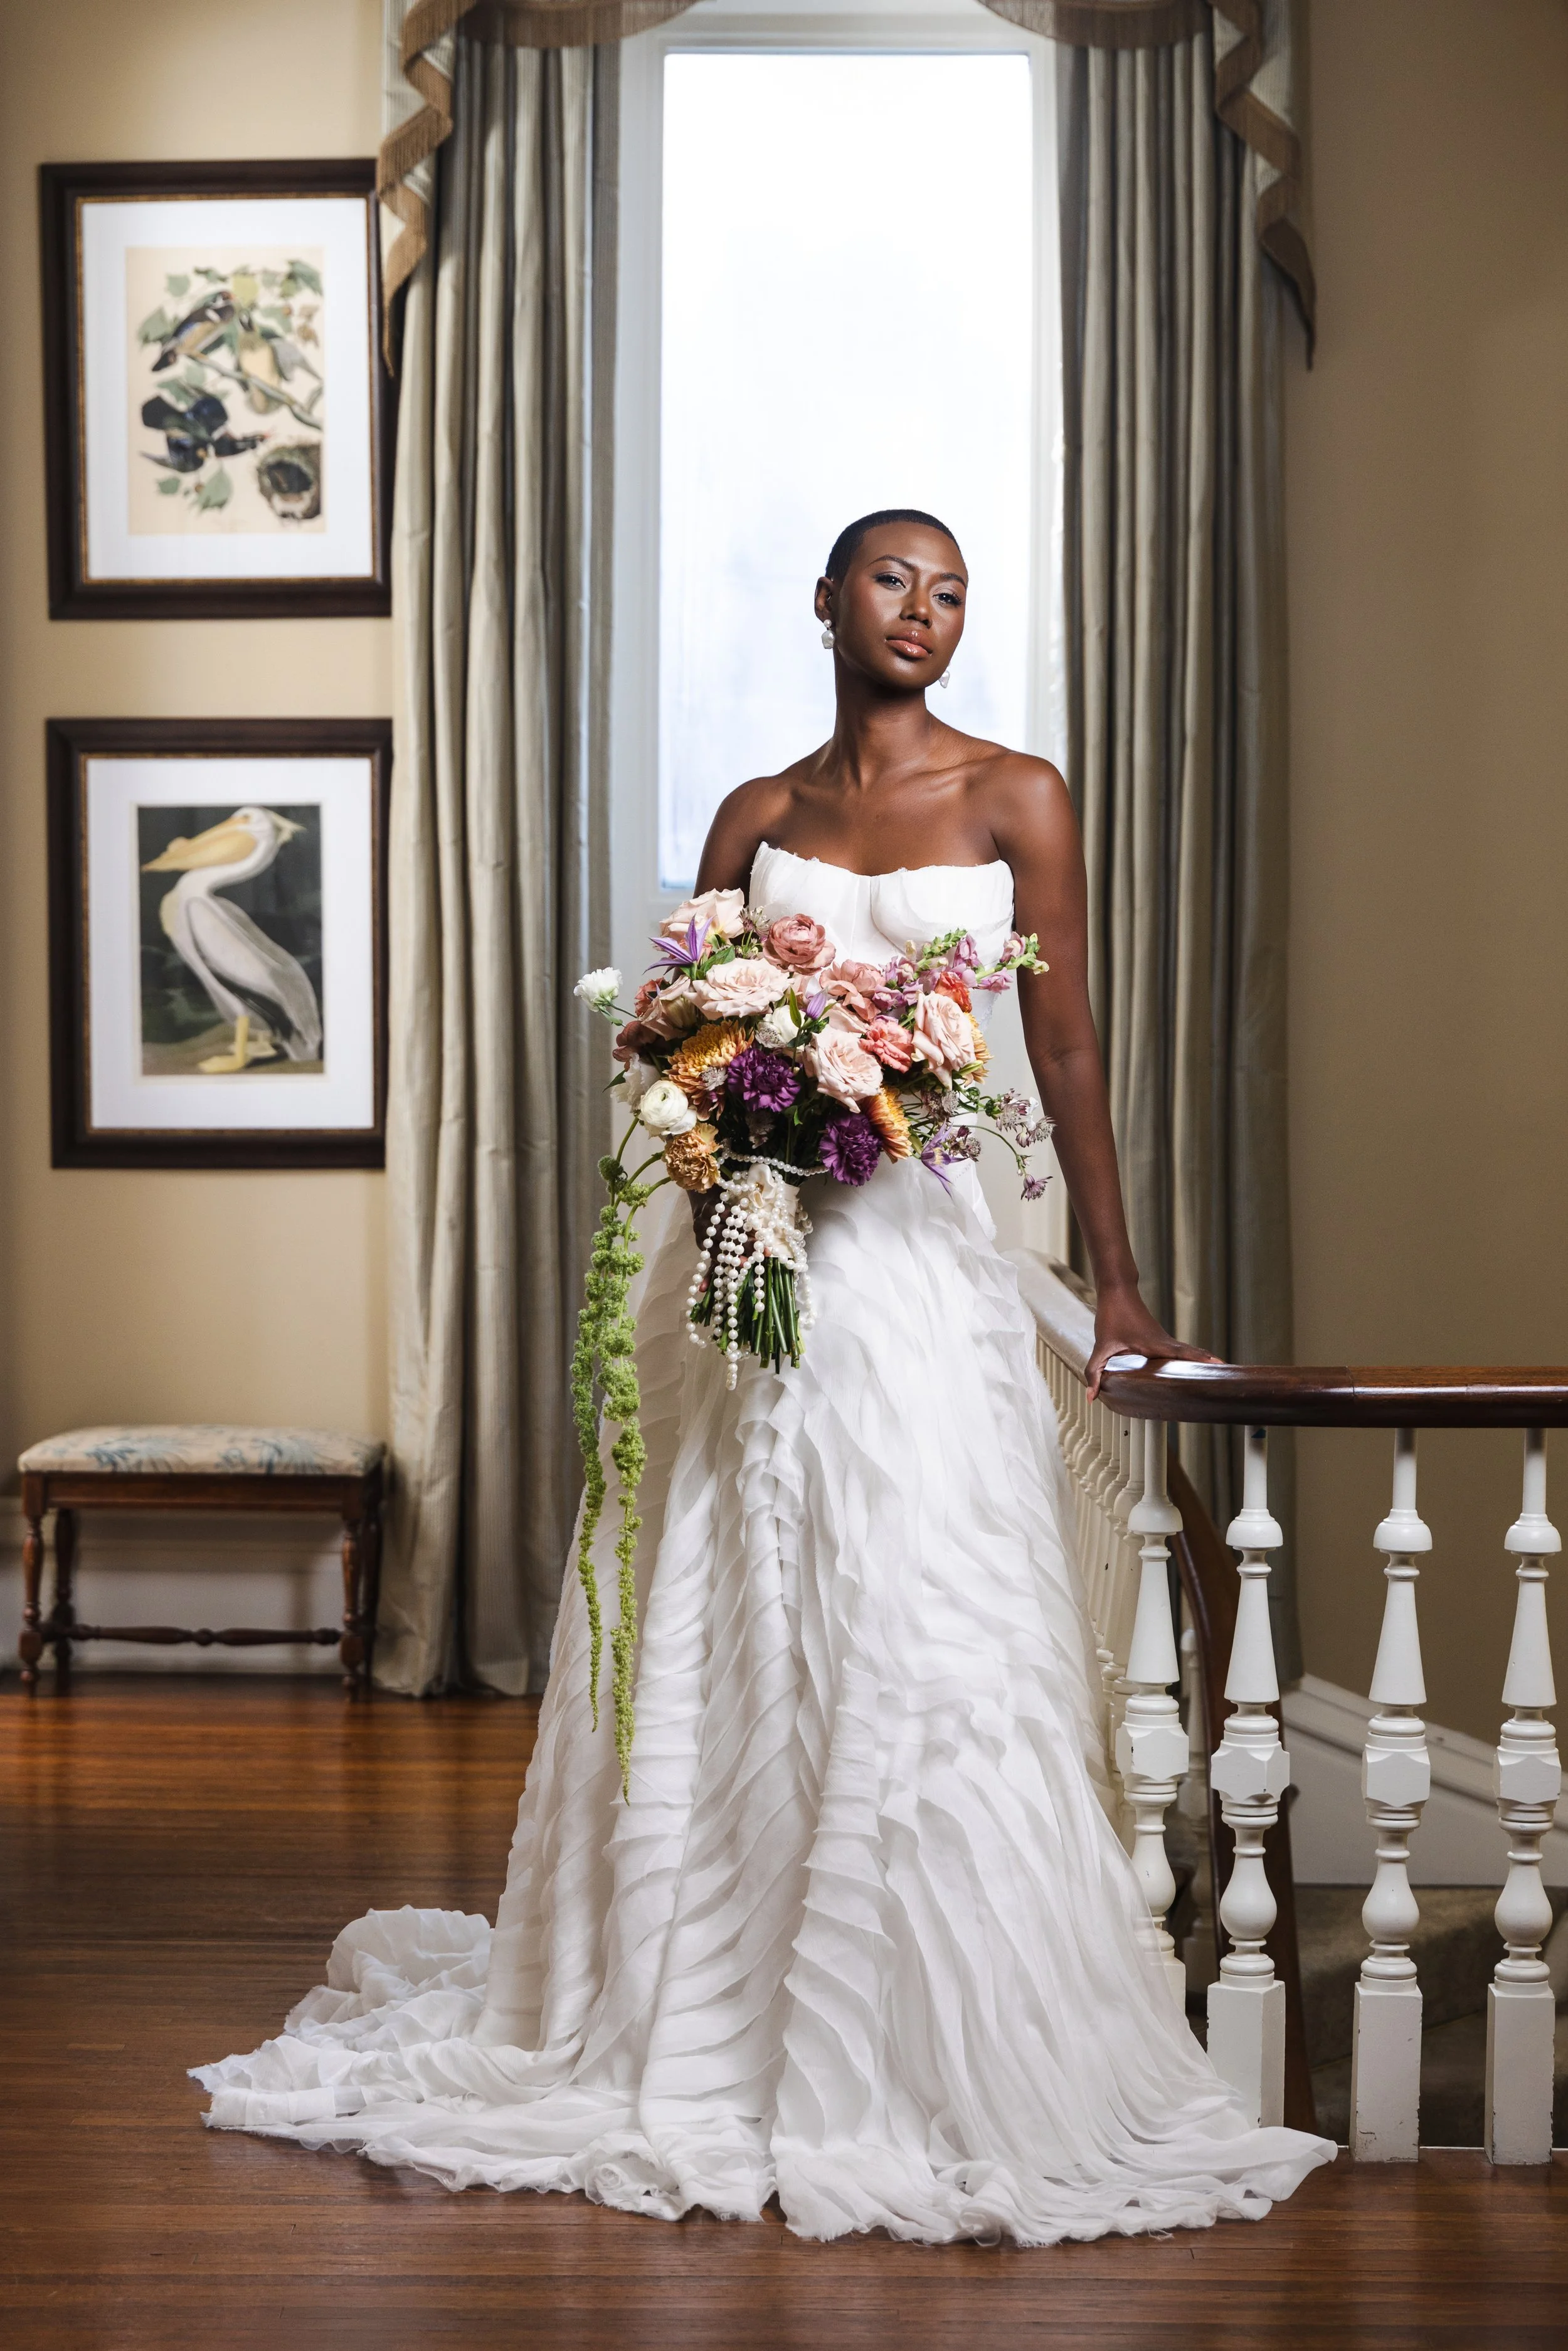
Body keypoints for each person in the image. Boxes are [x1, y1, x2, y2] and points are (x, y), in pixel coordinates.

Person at [195, 509, 1333, 2242]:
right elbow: (678, 1030)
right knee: (727, 1600)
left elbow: (1068, 1041)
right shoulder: (757, 817)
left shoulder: (1019, 792)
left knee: (922, 1609)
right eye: (894, 580)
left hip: (920, 1268)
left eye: (953, 591)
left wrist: (1116, 1276)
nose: (925, 613)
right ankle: (688, 1985)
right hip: (750, 1258)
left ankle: (921, 2022)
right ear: (823, 600)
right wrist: (735, 1109)